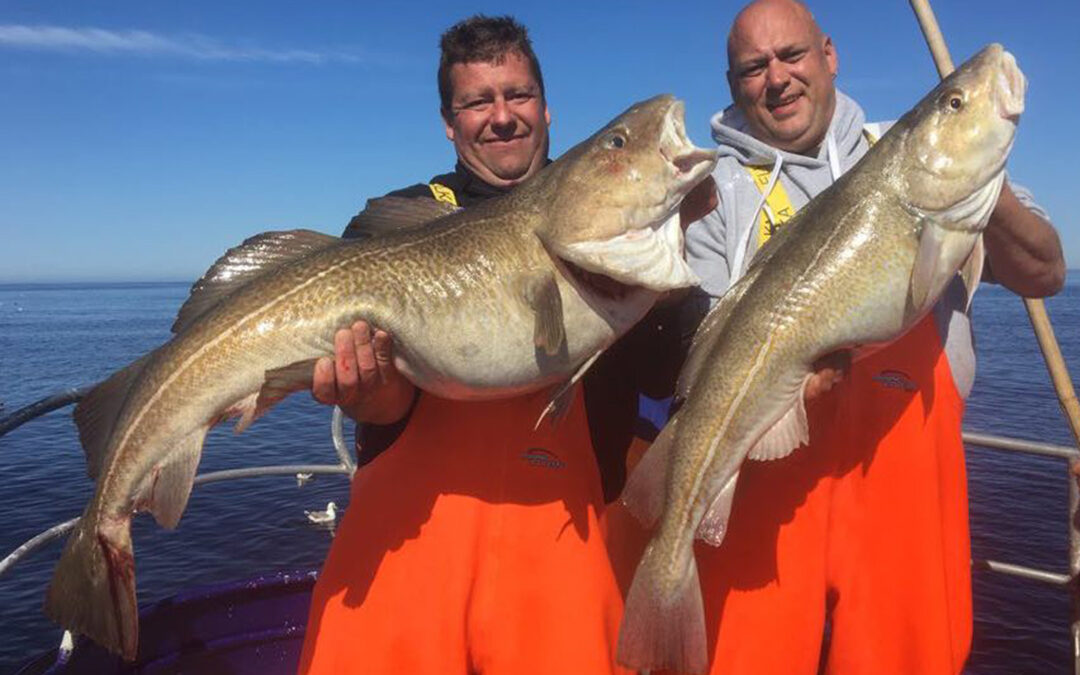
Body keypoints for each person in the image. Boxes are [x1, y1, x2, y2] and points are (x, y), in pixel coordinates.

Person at [666, 1, 1065, 673]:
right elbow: (697, 340)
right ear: (733, 85)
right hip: (769, 495)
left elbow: (1046, 270)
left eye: (792, 56)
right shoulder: (712, 193)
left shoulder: (902, 147)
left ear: (829, 55)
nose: (778, 79)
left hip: (903, 499)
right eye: (754, 68)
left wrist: (979, 187)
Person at [297, 15, 703, 674]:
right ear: (449, 123)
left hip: (559, 561)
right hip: (407, 557)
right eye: (477, 101)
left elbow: (667, 378)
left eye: (516, 95)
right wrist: (368, 396)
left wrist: (666, 281)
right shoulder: (387, 229)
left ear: (546, 109)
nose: (501, 115)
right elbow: (382, 404)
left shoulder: (632, 230)